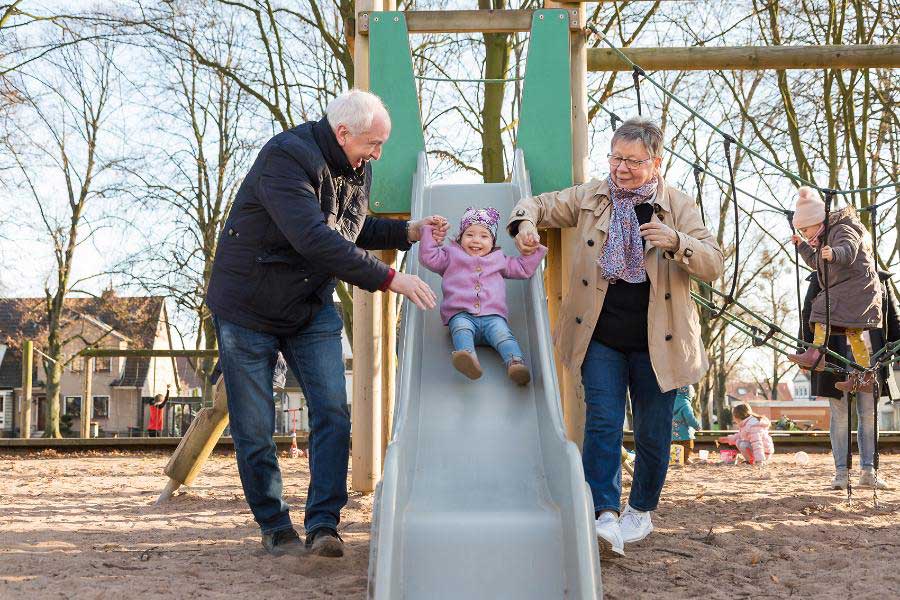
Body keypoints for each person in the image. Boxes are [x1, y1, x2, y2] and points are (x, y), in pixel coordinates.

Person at [205, 89, 449, 558]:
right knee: (255, 427)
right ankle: (275, 526)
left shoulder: (356, 167)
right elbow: (314, 238)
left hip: (308, 304)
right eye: (373, 144)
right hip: (247, 306)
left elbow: (349, 229)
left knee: (333, 413)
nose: (377, 154)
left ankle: (323, 524)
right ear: (342, 133)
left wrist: (406, 232)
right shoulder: (286, 158)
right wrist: (390, 279)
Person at [507, 116, 724, 557]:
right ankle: (603, 513)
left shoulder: (678, 205)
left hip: (658, 342)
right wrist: (524, 223)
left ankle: (639, 509)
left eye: (633, 161)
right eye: (615, 158)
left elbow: (714, 263)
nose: (621, 168)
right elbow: (539, 205)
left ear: (656, 163)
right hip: (601, 337)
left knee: (652, 432)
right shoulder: (593, 196)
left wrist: (676, 241)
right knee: (603, 422)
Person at [418, 207, 547, 385]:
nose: (476, 240)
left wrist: (534, 249)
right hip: (461, 314)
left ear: (492, 241)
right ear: (460, 237)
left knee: (504, 336)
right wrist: (428, 232)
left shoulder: (499, 259)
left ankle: (515, 363)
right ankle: (468, 358)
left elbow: (522, 268)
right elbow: (428, 257)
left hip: (493, 317)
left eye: (484, 236)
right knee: (460, 329)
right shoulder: (451, 255)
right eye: (469, 234)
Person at [799, 269, 899, 490]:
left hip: (871, 355)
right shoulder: (823, 274)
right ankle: (841, 472)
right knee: (840, 414)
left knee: (869, 414)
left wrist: (895, 348)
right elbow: (808, 313)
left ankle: (868, 471)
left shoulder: (880, 278)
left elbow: (892, 316)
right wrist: (805, 350)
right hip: (835, 352)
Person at [789, 187, 883, 392]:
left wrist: (834, 253)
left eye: (805, 230)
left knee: (822, 307)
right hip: (852, 289)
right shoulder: (823, 239)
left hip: (858, 287)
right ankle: (865, 375)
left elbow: (848, 249)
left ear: (817, 222)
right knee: (854, 333)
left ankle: (817, 354)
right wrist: (802, 246)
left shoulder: (843, 228)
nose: (805, 234)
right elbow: (816, 263)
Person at [671, 385, 701, 463]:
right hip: (685, 433)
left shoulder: (670, 402)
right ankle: (685, 459)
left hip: (673, 433)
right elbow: (689, 418)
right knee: (688, 446)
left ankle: (676, 460)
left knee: (675, 446)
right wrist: (697, 426)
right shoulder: (686, 404)